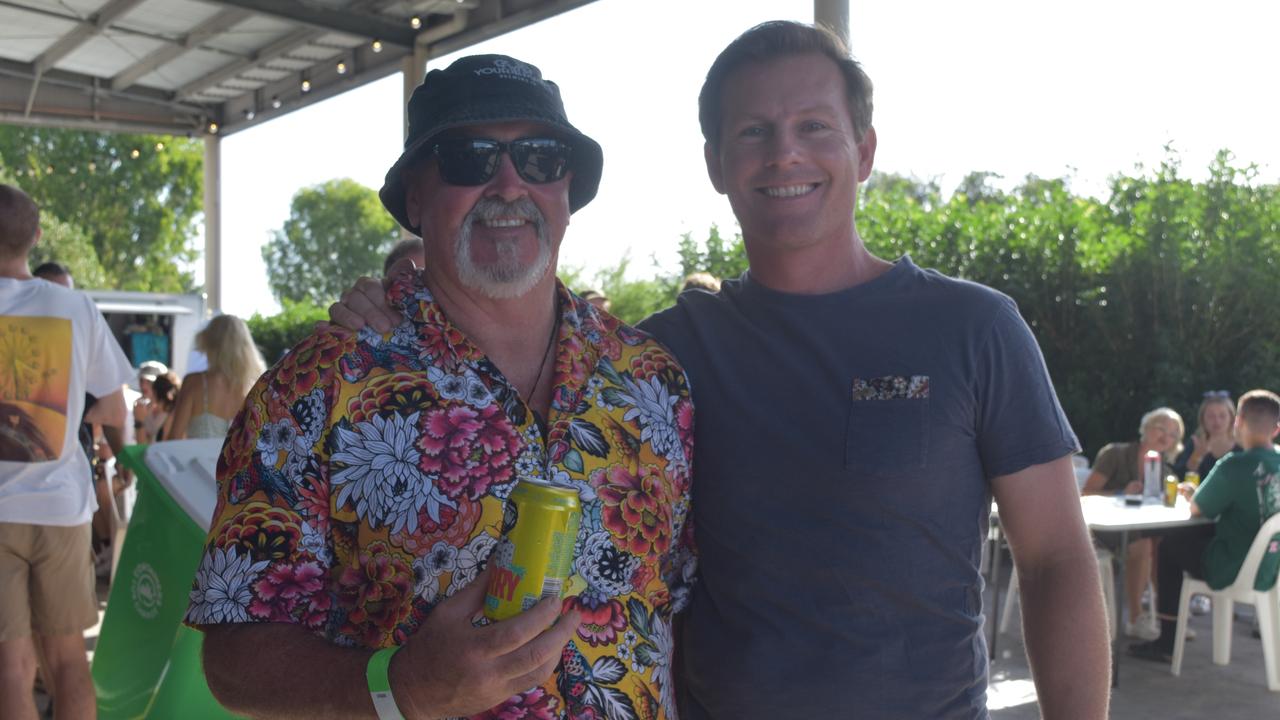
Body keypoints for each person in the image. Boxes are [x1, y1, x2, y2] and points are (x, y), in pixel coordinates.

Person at [332, 22, 1109, 719]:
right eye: (753, 132)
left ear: (865, 150)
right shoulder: (654, 362)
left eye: (814, 127)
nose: (785, 155)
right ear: (714, 163)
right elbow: (511, 343)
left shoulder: (973, 328)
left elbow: (1055, 558)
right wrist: (402, 313)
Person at [187, 54, 695, 720]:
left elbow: (681, 614)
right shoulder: (319, 387)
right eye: (469, 158)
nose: (509, 183)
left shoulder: (655, 384)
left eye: (540, 158)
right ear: (417, 198)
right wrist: (400, 687)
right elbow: (234, 660)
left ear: (567, 191)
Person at [0, 183, 134, 720]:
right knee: (69, 660)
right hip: (62, 508)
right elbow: (114, 406)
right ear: (35, 237)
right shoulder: (74, 307)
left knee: (10, 668)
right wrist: (70, 416)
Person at [1129, 389, 1280, 662]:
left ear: (1238, 422)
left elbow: (1198, 509)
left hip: (1232, 567)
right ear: (1277, 429)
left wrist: (1191, 494)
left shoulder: (1234, 465)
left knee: (1168, 547)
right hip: (1270, 567)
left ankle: (1166, 642)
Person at [1081, 407, 1184, 640]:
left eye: (1173, 434)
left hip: (1139, 530)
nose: (1165, 436)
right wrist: (1120, 492)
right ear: (1145, 428)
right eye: (1161, 428)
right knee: (1144, 545)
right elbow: (1086, 493)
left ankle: (1166, 618)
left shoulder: (1165, 471)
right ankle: (1136, 618)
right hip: (1100, 529)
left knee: (1165, 547)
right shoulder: (1115, 454)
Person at [167, 314, 265, 440]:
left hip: (198, 459)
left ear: (209, 343)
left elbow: (174, 438)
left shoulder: (194, 382)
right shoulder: (255, 388)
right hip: (234, 459)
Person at [1175, 391, 1240, 480]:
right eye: (1211, 416)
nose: (1217, 421)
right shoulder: (1195, 443)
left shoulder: (1242, 445)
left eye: (1222, 416)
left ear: (1231, 418)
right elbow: (1179, 478)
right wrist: (1196, 457)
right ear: (1202, 419)